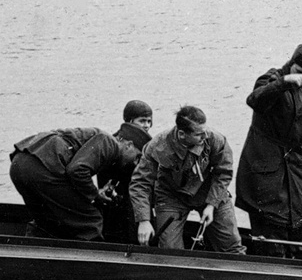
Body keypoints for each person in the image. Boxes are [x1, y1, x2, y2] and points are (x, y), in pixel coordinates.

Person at [236, 42, 302, 257]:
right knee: (270, 225)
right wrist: (284, 82)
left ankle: (299, 268)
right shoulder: (271, 79)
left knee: (298, 220)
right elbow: (255, 100)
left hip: (293, 168)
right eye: (300, 72)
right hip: (264, 169)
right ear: (291, 63)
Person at [130, 105, 245, 253]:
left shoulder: (215, 139)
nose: (204, 137)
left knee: (232, 246)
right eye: (199, 135)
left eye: (204, 131)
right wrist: (143, 220)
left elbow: (223, 172)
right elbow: (140, 183)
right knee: (170, 251)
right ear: (182, 134)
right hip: (172, 196)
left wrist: (212, 205)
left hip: (208, 191)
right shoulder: (157, 146)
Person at [9, 127, 140, 242]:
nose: (136, 164)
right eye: (137, 157)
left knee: (47, 221)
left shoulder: (101, 142)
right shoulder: (110, 142)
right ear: (129, 144)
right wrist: (94, 195)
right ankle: (89, 265)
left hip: (20, 163)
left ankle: (30, 257)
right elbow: (77, 170)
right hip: (42, 166)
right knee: (91, 220)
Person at [101, 100, 153, 244]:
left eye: (149, 121)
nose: (147, 125)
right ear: (130, 121)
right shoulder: (115, 143)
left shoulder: (146, 144)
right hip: (119, 196)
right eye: (142, 121)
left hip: (136, 195)